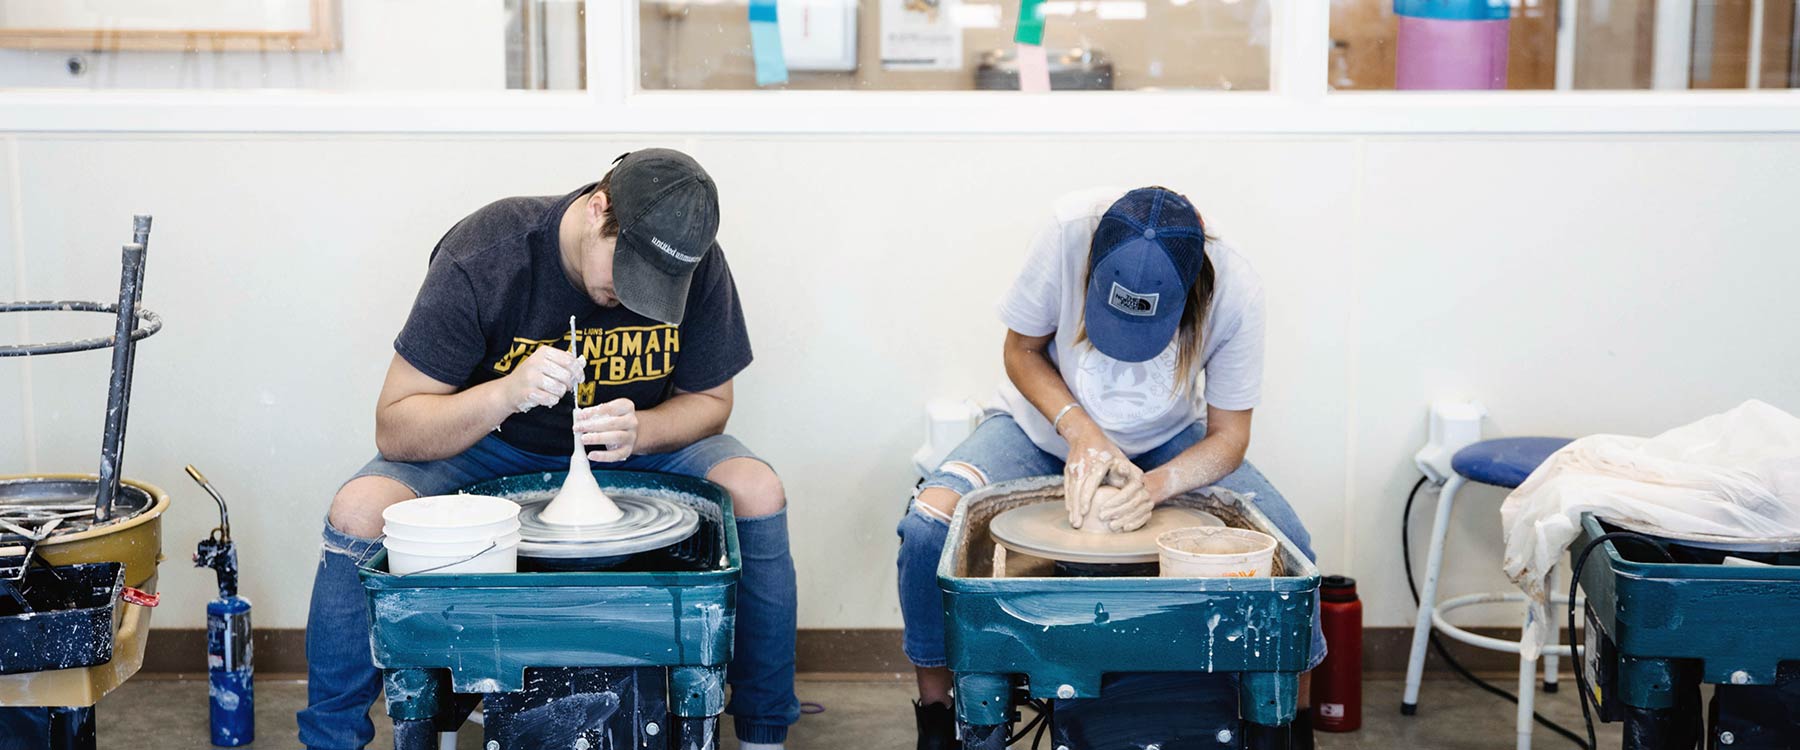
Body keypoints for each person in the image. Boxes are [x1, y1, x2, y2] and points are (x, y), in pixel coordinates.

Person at [298, 149, 799, 750]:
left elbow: (712, 400)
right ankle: (331, 739)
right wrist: (506, 394)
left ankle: (765, 731)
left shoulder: (695, 261)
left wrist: (644, 428)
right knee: (358, 509)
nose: (636, 296)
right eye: (629, 271)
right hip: (493, 447)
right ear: (597, 210)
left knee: (758, 490)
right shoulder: (488, 252)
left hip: (629, 453)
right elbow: (396, 426)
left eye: (657, 287)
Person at [895, 186, 1326, 748]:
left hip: (1169, 443)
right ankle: (939, 716)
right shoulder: (1066, 234)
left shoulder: (1236, 287)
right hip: (1040, 430)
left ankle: (1287, 726)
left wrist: (1158, 484)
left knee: (1288, 549)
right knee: (930, 526)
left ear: (1193, 295)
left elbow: (1230, 437)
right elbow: (1019, 350)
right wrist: (1081, 432)